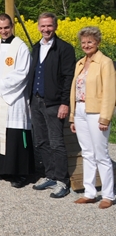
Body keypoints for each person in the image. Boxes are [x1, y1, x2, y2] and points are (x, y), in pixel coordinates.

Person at [0, 14, 34, 188]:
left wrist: (0, 84)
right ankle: (0, 168)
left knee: (13, 134)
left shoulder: (20, 48)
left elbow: (22, 73)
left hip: (13, 98)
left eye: (6, 27)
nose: (3, 31)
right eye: (0, 28)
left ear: (12, 26)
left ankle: (19, 173)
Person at [27, 12, 75, 199]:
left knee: (56, 142)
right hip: (36, 100)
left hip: (54, 102)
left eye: (49, 25)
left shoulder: (64, 48)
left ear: (55, 26)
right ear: (38, 27)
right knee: (41, 141)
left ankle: (62, 181)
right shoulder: (36, 47)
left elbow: (68, 78)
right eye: (43, 26)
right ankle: (50, 175)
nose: (46, 29)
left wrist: (65, 103)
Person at [69, 26, 116, 208]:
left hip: (96, 112)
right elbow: (74, 90)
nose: (86, 45)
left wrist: (105, 117)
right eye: (83, 42)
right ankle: (89, 192)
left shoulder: (105, 62)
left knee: (101, 154)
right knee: (87, 153)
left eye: (90, 42)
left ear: (98, 42)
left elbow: (110, 92)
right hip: (80, 110)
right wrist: (73, 116)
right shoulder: (80, 63)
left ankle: (108, 195)